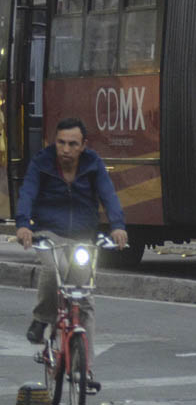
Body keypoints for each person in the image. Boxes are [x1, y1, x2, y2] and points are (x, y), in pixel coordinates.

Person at [14, 117, 126, 393]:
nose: (66, 149)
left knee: (83, 298)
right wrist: (23, 225)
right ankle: (42, 318)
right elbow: (27, 193)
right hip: (48, 233)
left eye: (72, 144)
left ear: (83, 145)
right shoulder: (41, 162)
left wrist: (118, 226)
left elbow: (109, 195)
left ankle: (83, 369)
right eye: (61, 143)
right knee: (54, 270)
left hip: (82, 238)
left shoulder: (93, 164)